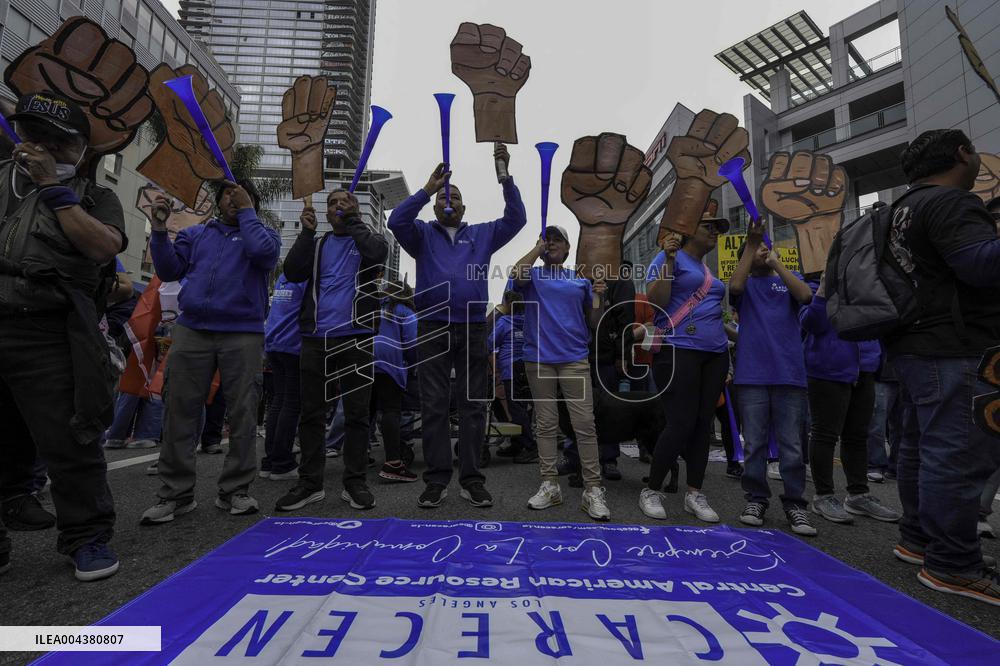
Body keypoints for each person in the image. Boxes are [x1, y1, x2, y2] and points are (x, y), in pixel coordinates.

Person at [0, 92, 126, 580]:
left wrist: (53, 187)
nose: (43, 147)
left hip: (48, 331)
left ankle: (87, 537)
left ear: (79, 150)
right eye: (34, 135)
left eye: (58, 141)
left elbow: (103, 246)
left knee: (70, 439)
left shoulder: (96, 196)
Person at [886, 129, 1000, 604]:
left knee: (920, 446)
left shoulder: (900, 208)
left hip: (912, 344)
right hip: (955, 346)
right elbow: (982, 266)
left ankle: (918, 539)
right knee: (955, 453)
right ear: (961, 154)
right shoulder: (951, 203)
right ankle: (953, 563)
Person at [387, 146, 526, 508]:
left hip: (472, 328)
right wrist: (427, 189)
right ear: (435, 206)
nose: (450, 201)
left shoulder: (482, 234)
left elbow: (517, 219)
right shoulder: (421, 235)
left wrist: (504, 176)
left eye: (457, 197)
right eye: (444, 197)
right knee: (433, 405)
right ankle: (435, 480)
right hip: (432, 327)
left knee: (473, 406)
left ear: (464, 208)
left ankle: (472, 478)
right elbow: (395, 222)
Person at [141, 178, 279, 524]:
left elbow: (264, 255)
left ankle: (235, 491)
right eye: (227, 195)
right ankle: (176, 493)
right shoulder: (196, 234)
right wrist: (159, 230)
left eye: (240, 196)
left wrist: (248, 212)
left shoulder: (263, 235)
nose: (232, 200)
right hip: (192, 330)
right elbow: (170, 269)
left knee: (244, 412)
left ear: (252, 203)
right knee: (179, 410)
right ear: (218, 201)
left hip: (243, 332)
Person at [277, 189, 388, 511]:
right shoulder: (319, 244)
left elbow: (378, 253)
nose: (338, 205)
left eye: (345, 201)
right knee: (311, 414)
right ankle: (310, 483)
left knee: (357, 415)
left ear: (355, 209)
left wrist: (353, 220)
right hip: (316, 338)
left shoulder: (366, 240)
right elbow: (292, 272)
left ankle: (354, 483)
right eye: (333, 203)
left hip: (356, 338)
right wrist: (307, 232)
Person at [511, 227, 611, 521]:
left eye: (557, 239)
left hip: (574, 359)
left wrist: (599, 297)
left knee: (584, 424)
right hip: (538, 360)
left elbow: (594, 321)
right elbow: (516, 274)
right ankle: (550, 484)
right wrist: (536, 249)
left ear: (568, 249)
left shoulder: (579, 281)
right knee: (545, 424)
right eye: (547, 238)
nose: (551, 242)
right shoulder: (532, 276)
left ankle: (593, 489)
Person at [641, 210, 731, 522]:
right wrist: (667, 261)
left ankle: (695, 493)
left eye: (718, 229)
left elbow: (716, 311)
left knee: (703, 425)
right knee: (680, 423)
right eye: (709, 227)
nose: (715, 233)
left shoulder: (708, 270)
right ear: (689, 230)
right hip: (678, 349)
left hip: (716, 353)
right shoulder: (669, 259)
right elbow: (656, 303)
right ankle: (652, 490)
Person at [728, 224, 817, 536]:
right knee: (754, 443)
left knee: (792, 444)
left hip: (790, 375)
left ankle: (795, 503)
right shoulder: (746, 286)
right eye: (758, 248)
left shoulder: (786, 283)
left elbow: (806, 296)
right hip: (752, 375)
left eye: (767, 246)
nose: (764, 250)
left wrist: (777, 262)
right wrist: (751, 246)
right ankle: (755, 498)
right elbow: (735, 287)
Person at [800, 274, 900, 525]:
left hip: (865, 367)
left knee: (857, 435)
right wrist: (823, 289)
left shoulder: (866, 280)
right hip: (828, 368)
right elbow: (811, 323)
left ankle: (858, 495)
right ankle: (823, 496)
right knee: (825, 433)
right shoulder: (812, 283)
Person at [260, 272, 306, 481]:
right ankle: (282, 463)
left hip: (274, 342)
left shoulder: (283, 277)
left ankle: (270, 461)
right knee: (291, 403)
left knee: (279, 401)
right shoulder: (306, 276)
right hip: (293, 344)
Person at [372, 281, 418, 482]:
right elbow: (413, 344)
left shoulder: (371, 306)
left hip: (362, 361)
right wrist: (414, 365)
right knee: (391, 411)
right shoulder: (405, 312)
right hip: (389, 364)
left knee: (364, 413)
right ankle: (393, 463)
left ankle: (354, 461)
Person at [488, 290, 537, 463]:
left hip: (510, 369)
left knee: (515, 409)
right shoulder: (530, 322)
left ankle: (531, 447)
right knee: (522, 408)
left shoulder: (505, 321)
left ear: (508, 304)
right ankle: (518, 445)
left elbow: (490, 343)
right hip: (526, 368)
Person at [866, 346, 901, 483]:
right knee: (877, 423)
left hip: (905, 371)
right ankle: (875, 464)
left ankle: (897, 465)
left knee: (903, 426)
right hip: (882, 372)